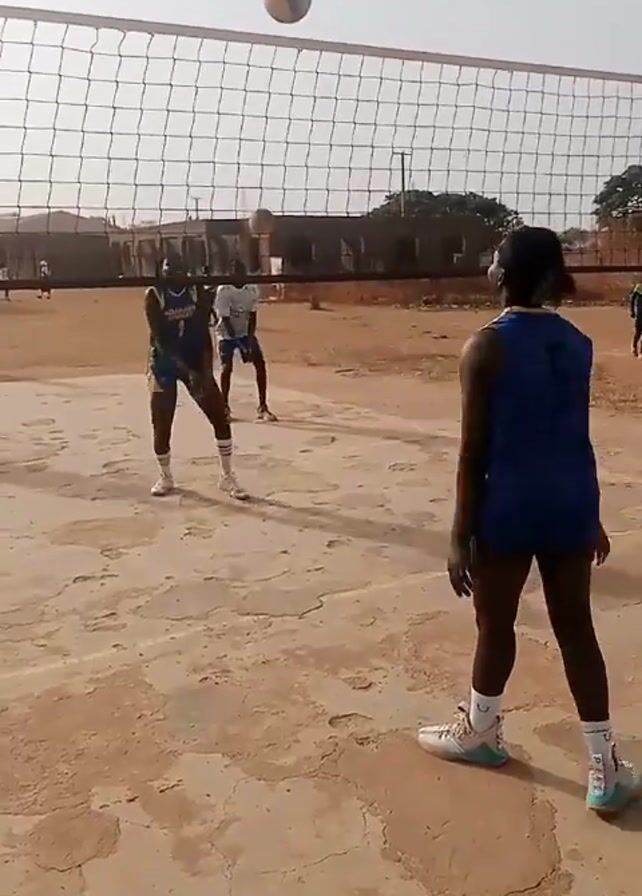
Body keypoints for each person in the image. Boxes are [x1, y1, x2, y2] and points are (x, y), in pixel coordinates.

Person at [418, 227, 640, 817]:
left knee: (495, 625)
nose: (490, 265)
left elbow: (472, 451)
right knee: (577, 629)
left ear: (505, 274)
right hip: (570, 500)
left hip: (508, 506)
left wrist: (459, 534)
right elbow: (573, 436)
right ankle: (604, 767)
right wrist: (591, 515)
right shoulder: (578, 342)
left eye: (495, 258)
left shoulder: (484, 346)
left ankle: (481, 732)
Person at [145, 255, 248, 500]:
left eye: (178, 271)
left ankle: (227, 476)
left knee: (219, 415)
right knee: (161, 422)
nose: (173, 275)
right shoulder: (154, 295)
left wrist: (204, 372)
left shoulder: (195, 290)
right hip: (164, 363)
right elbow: (161, 341)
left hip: (193, 358)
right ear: (162, 272)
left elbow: (202, 332)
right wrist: (188, 372)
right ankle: (165, 476)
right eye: (169, 270)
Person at [214, 259, 277, 422]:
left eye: (242, 273)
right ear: (231, 275)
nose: (241, 277)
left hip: (244, 332)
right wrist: (241, 346)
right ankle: (224, 407)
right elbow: (225, 320)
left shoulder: (252, 289)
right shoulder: (224, 290)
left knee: (260, 364)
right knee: (226, 367)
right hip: (226, 334)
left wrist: (248, 342)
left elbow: (252, 316)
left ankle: (262, 406)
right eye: (237, 273)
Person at [628, 281, 642, 357]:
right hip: (639, 313)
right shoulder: (639, 287)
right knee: (638, 332)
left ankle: (641, 351)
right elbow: (632, 299)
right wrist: (632, 311)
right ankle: (634, 347)